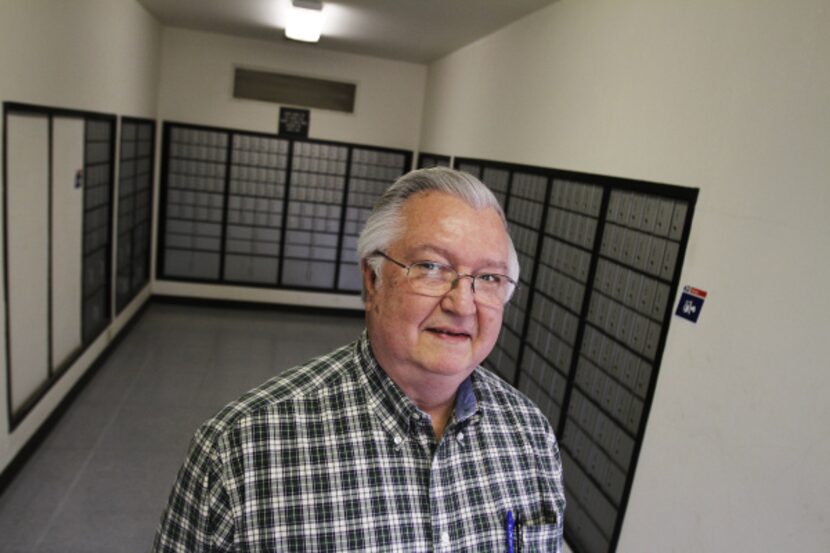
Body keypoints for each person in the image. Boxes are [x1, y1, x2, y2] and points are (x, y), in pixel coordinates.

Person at [153, 167, 565, 552]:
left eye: (489, 278)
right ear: (373, 282)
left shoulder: (530, 435)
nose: (463, 304)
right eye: (432, 267)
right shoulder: (239, 449)